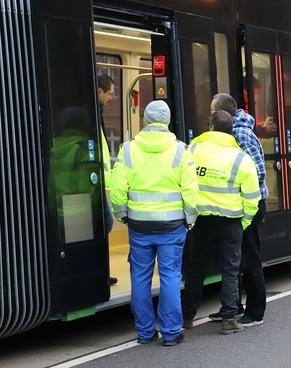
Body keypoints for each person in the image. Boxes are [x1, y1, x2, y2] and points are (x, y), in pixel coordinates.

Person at [110, 100, 198, 346]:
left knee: (139, 276)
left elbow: (117, 189)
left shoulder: (128, 150)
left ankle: (145, 332)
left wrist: (122, 214)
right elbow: (190, 190)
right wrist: (190, 219)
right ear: (167, 120)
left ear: (145, 120)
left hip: (139, 225)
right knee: (170, 275)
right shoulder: (181, 150)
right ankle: (171, 332)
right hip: (172, 225)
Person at [182, 110, 261, 335]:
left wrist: (189, 215)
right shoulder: (241, 158)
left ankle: (187, 317)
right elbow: (252, 196)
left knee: (195, 270)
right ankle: (228, 319)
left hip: (200, 221)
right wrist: (243, 222)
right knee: (230, 270)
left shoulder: (193, 150)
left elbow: (183, 183)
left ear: (210, 127)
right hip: (230, 223)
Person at [207, 93, 268, 327]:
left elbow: (257, 171)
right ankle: (233, 307)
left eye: (212, 111)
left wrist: (250, 203)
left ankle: (255, 312)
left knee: (249, 259)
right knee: (234, 258)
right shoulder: (233, 131)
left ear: (222, 113)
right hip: (236, 203)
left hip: (248, 204)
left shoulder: (240, 133)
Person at [97, 74, 117, 286]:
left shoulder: (97, 111)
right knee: (105, 223)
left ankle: (102, 269)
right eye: (109, 94)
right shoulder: (93, 112)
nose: (111, 98)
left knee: (103, 224)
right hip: (96, 179)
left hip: (99, 179)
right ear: (99, 92)